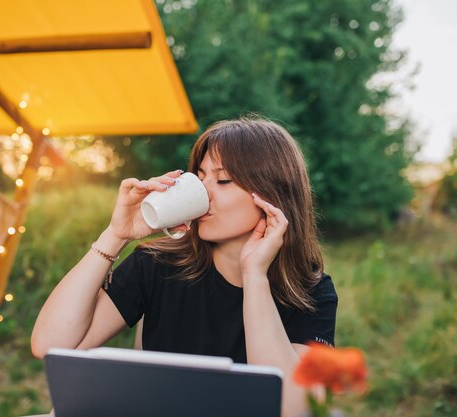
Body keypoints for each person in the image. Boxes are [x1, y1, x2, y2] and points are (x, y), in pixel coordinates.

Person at [31, 116, 338, 417]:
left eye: (222, 180)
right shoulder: (157, 264)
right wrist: (115, 235)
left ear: (273, 195)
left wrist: (255, 276)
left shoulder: (311, 291)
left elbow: (293, 409)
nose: (203, 191)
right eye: (200, 176)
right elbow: (50, 345)